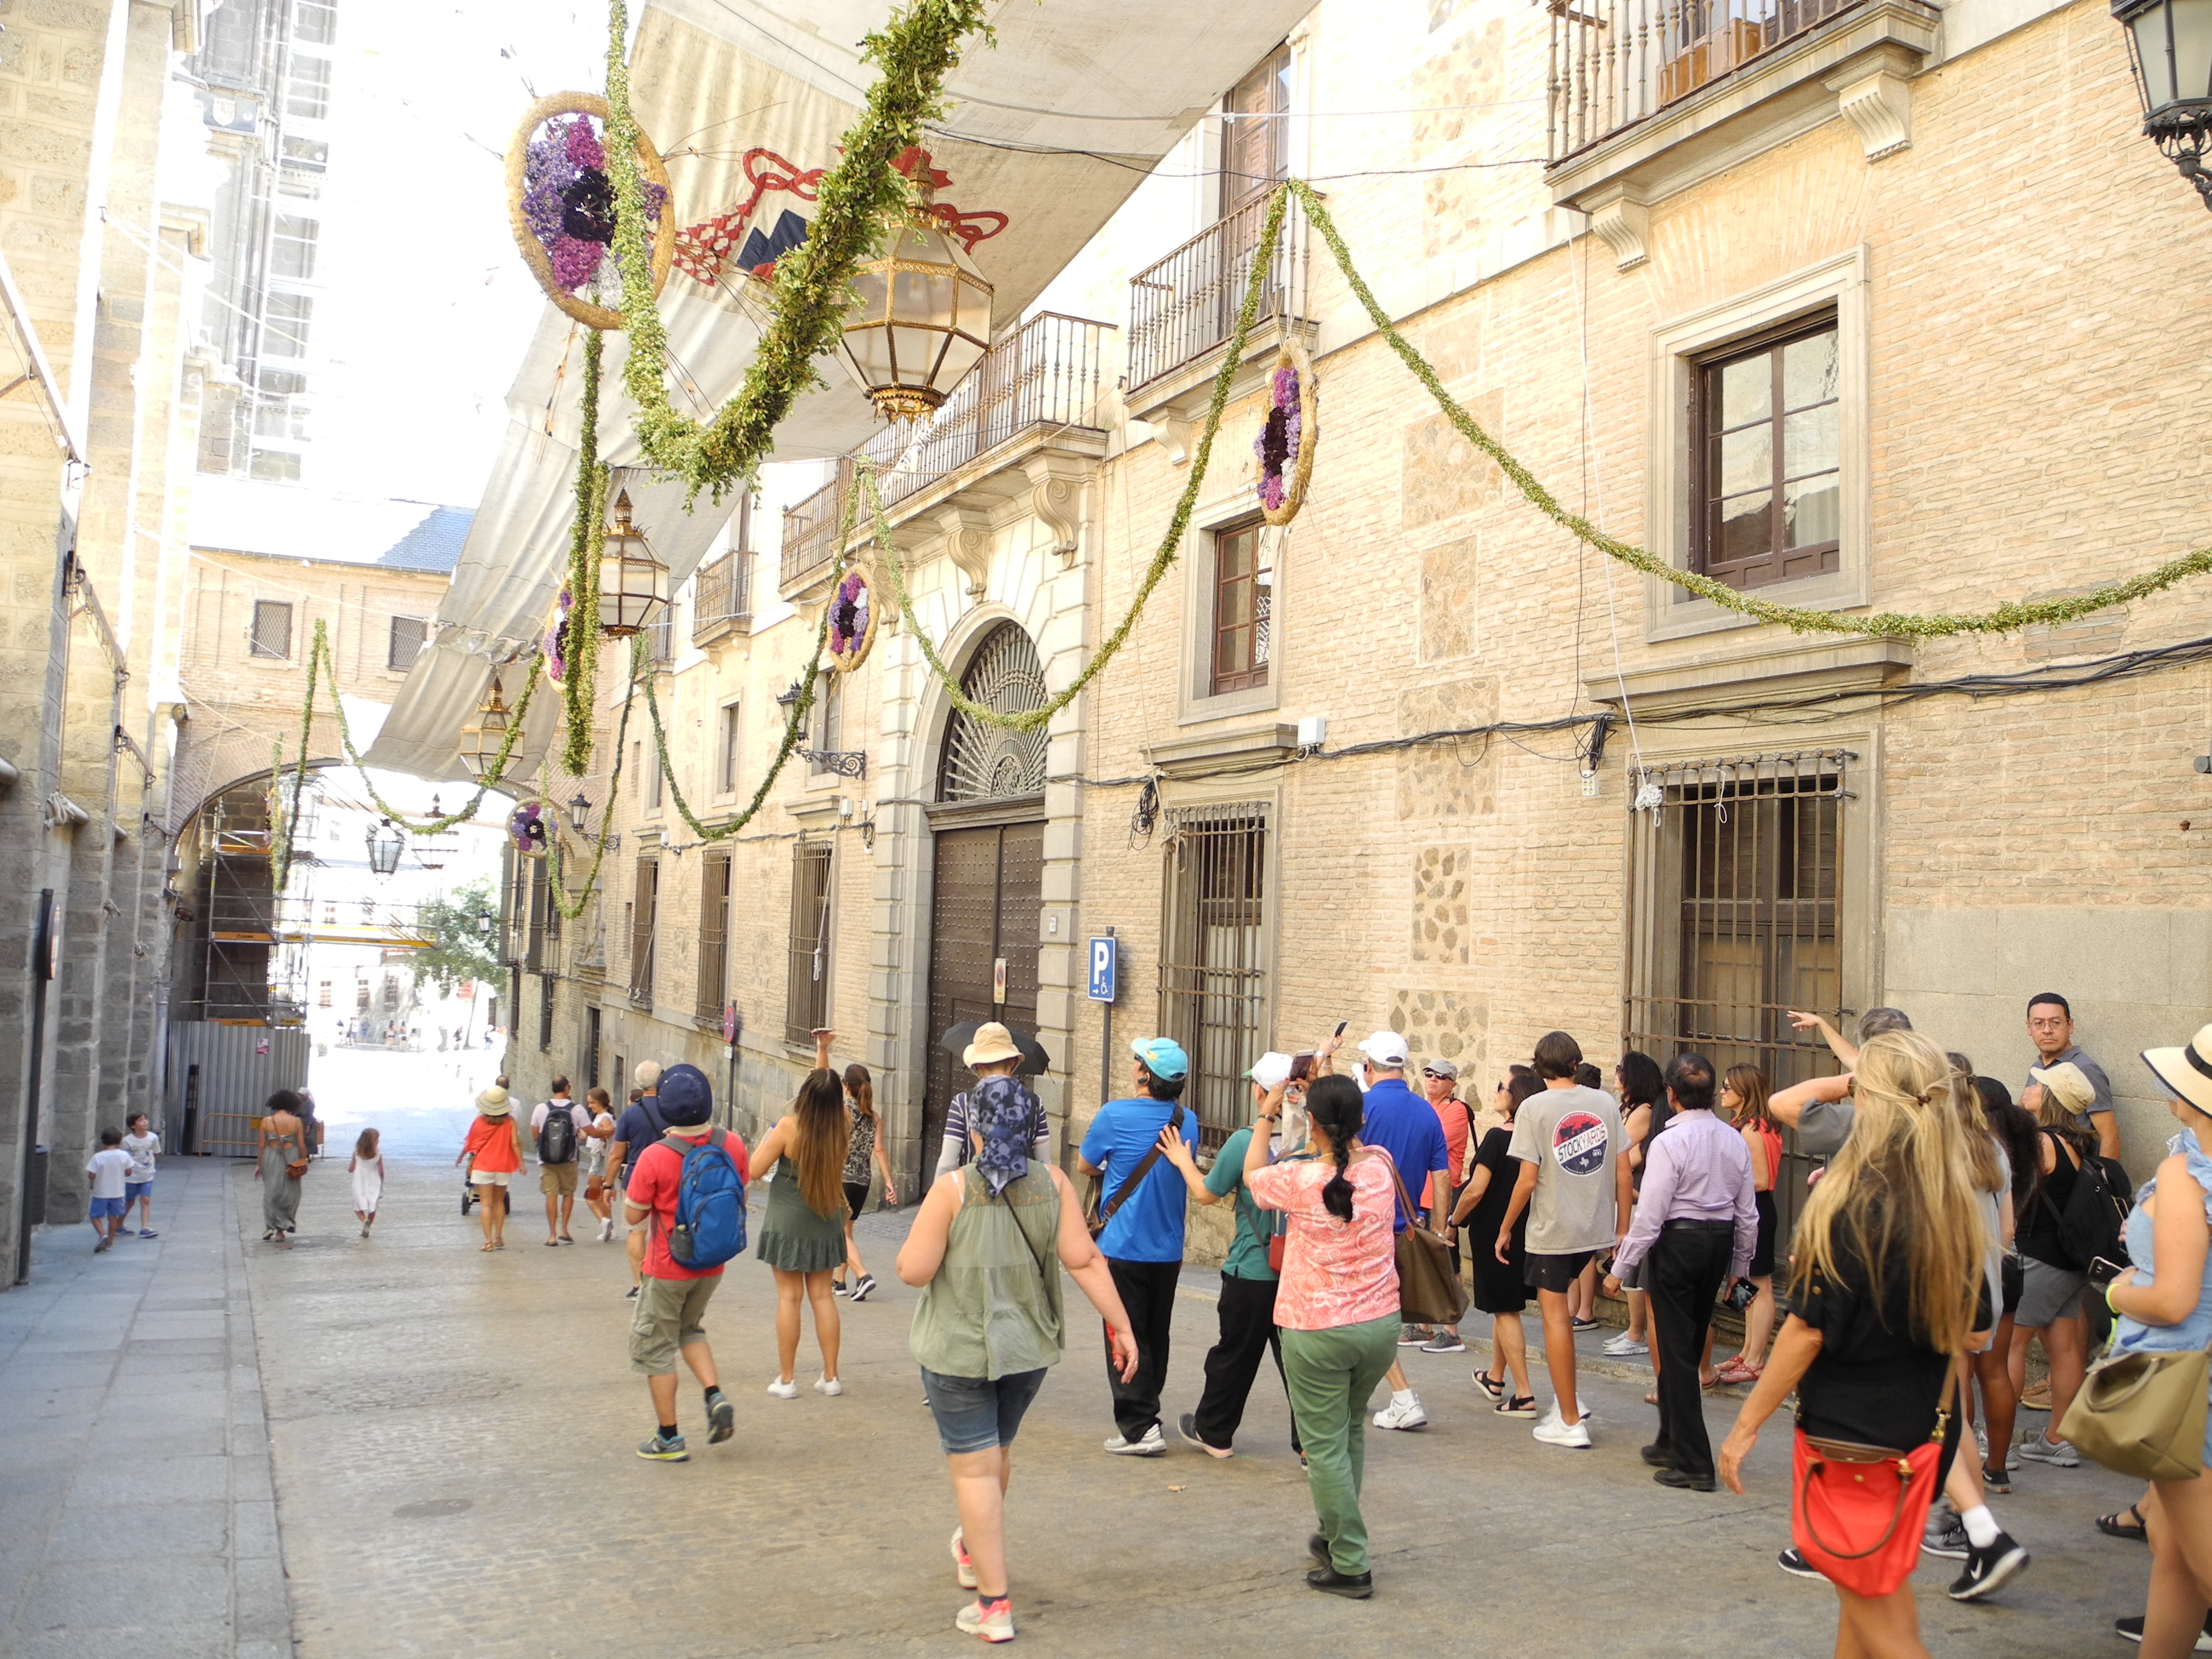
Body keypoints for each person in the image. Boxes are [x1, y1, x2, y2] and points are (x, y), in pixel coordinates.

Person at [1717, 1030, 1992, 1659]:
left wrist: (1744, 1427)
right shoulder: (1949, 1194)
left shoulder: (1856, 1198)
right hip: (1918, 1429)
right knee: (1864, 1598)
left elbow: (1807, 1330)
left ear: (1866, 1099)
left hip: (1852, 1437)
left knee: (1887, 1628)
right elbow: (1974, 1328)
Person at [896, 1065, 1141, 1643]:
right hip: (1026, 1350)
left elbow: (912, 1271)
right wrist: (1122, 1326)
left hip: (957, 1352)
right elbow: (1085, 1260)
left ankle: (994, 1605)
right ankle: (971, 1547)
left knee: (975, 1468)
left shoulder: (952, 1190)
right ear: (1031, 1128)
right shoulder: (1053, 1183)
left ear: (975, 1131)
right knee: (996, 1455)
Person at [1244, 1074, 1401, 1598]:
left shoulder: (1298, 1178)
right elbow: (1351, 1151)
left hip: (1316, 1329)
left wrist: (1267, 1112)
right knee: (1350, 1430)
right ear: (1361, 1120)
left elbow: (1252, 1175)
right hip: (1379, 1325)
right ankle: (1336, 1536)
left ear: (1311, 1120)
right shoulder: (1381, 1166)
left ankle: (1351, 1560)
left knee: (1324, 1448)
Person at [2105, 1022, 2212, 1654]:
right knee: (2173, 1551)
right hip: (2193, 1383)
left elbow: (2172, 1300)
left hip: (2182, 1388)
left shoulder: (2185, 1173)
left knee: (2199, 1559)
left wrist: (2119, 1292)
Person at [1603, 1053, 1755, 1491]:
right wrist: (1739, 1268)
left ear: (1671, 1095)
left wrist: (1619, 1269)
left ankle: (1694, 1462)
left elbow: (1650, 1216)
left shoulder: (1669, 1142)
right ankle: (1670, 1439)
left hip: (1680, 1243)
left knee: (1677, 1352)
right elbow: (1748, 1215)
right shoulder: (1733, 1140)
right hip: (1717, 1243)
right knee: (1684, 1343)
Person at [1156, 1051, 1302, 1460]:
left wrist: (1183, 1161)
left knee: (1233, 1356)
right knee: (1300, 1365)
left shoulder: (1243, 1143)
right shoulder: (1310, 1142)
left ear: (1261, 1093)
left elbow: (1207, 1193)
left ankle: (1215, 1432)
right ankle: (1312, 1447)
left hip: (1252, 1269)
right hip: (1298, 1273)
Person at [1498, 1031, 1631, 1447]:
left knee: (1555, 1318)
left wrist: (1505, 1227)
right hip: (1593, 1227)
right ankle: (1567, 1401)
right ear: (1576, 1064)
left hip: (1553, 1228)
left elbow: (1527, 1180)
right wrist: (1622, 1228)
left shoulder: (1533, 1107)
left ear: (1538, 1067)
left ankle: (1570, 1421)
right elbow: (1623, 1170)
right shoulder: (1605, 1102)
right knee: (1564, 1319)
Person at [1078, 1036, 1201, 1456]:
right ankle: (1148, 1410)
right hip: (1168, 1247)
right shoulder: (1188, 1120)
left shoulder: (1114, 1114)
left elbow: (1085, 1164)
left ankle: (1140, 1427)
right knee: (1155, 1333)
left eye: (1137, 1062)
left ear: (1146, 1076)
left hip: (1123, 1245)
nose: (1133, 1066)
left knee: (1124, 1333)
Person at [624, 1064, 745, 1463]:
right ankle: (714, 1394)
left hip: (667, 1265)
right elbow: (739, 1195)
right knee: (690, 1329)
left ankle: (669, 1438)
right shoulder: (732, 1144)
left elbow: (634, 1215)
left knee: (656, 1349)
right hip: (711, 1264)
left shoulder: (656, 1156)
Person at [1350, 1030, 1449, 1432]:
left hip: (1363, 1230)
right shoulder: (1427, 1112)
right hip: (1407, 1230)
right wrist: (1438, 1233)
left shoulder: (1362, 1108)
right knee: (1374, 1316)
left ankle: (1404, 1397)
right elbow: (1442, 1177)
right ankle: (1362, 1393)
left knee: (1367, 1316)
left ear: (1369, 1067)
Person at [749, 1029, 851, 1398]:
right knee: (823, 1297)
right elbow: (826, 1092)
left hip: (788, 1220)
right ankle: (831, 1377)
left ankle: (787, 1380)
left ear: (805, 1097)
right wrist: (823, 1051)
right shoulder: (843, 1123)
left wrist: (765, 1140)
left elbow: (754, 1171)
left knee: (789, 1299)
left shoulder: (788, 1129)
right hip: (825, 1219)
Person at [2009, 1058, 2095, 1468]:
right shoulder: (2078, 1142)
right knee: (2064, 1349)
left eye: (2038, 1085)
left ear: (2050, 1098)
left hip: (2039, 1258)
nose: (2030, 1087)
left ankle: (1995, 1442)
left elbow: (2012, 1190)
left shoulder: (2042, 1142)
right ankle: (2058, 1439)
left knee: (2009, 1346)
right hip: (2069, 1260)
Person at [1449, 1071, 1543, 1414]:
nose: (1496, 1091)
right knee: (1506, 1308)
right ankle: (1495, 1376)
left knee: (1505, 1310)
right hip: (1528, 1230)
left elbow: (1475, 1190)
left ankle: (1525, 1394)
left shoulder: (1497, 1138)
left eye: (1501, 1087)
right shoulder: (1537, 1140)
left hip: (1495, 1233)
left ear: (1516, 1096)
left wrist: (1453, 1221)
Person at [1714, 1066, 1781, 1384]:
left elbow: (1762, 1180)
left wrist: (1724, 1185)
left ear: (1744, 1091)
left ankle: (1756, 1359)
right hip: (1752, 1210)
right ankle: (1747, 1351)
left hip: (1756, 1209)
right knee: (1748, 1282)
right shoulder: (1753, 1125)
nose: (1722, 1091)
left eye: (1728, 1087)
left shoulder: (1751, 1130)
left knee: (1760, 1284)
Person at [1606, 1050, 1669, 1361]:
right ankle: (1634, 1330)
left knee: (1633, 1262)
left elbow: (1619, 1152)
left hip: (1637, 1189)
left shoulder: (1644, 1111)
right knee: (1630, 1264)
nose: (1616, 1074)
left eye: (1621, 1069)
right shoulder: (1629, 1108)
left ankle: (1636, 1333)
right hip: (1628, 1188)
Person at [1413, 1056, 1476, 1355]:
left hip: (1442, 1198)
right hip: (1421, 1197)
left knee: (1447, 1266)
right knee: (1424, 1265)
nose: (1433, 1080)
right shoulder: (1426, 1108)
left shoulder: (1456, 1110)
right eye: (1429, 1074)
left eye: (1440, 1076)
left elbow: (1427, 1142)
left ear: (1453, 1084)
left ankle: (1452, 1332)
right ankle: (1424, 1326)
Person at [936, 1027, 1051, 1177]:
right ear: (1012, 1063)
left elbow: (947, 1164)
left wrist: (938, 1190)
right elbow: (1045, 1163)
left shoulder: (962, 1103)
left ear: (979, 1066)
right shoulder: (1035, 1103)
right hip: (1022, 1188)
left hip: (974, 1188)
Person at [2026, 990, 2120, 1161]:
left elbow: (2110, 1137)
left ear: (2070, 1026)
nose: (2047, 1030)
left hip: (2073, 1171)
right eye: (2039, 1023)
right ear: (2029, 1028)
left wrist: (2102, 1175)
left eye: (2055, 1023)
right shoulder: (2037, 1068)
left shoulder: (2085, 1069)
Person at [833, 1062, 899, 1302]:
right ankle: (839, 1281)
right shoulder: (874, 1118)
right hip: (862, 1182)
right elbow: (879, 1150)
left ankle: (862, 1276)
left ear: (846, 1086)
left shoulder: (842, 1111)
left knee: (838, 1232)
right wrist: (889, 1182)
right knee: (847, 1230)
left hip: (841, 1178)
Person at [608, 1064, 666, 1300]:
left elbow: (617, 1154)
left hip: (637, 1178)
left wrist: (607, 1184)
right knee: (666, 1232)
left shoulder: (630, 1114)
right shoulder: (671, 1110)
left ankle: (639, 1284)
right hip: (669, 1178)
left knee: (637, 1232)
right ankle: (664, 1283)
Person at [456, 1087, 525, 1251]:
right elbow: (515, 1143)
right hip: (503, 1166)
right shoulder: (510, 1121)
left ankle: (488, 1242)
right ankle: (499, 1237)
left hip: (483, 1166)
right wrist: (521, 1163)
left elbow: (470, 1143)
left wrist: (461, 1156)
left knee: (486, 1204)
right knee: (498, 1202)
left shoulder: (479, 1122)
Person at [531, 1076, 591, 1246]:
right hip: (569, 1159)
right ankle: (565, 1230)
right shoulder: (577, 1109)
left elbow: (535, 1135)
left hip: (547, 1159)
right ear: (567, 1088)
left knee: (551, 1195)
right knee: (568, 1193)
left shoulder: (541, 1108)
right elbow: (590, 1131)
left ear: (552, 1088)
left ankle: (552, 1235)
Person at [256, 1090, 307, 1246]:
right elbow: (301, 1144)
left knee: (270, 1192)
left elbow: (262, 1145)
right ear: (292, 1104)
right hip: (291, 1157)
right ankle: (282, 1229)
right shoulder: (296, 1122)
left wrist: (258, 1165)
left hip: (270, 1157)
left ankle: (269, 1226)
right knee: (291, 1192)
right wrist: (304, 1161)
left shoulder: (266, 1121)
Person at [580, 1087, 618, 1241]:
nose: (590, 1106)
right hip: (600, 1160)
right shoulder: (603, 1117)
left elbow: (606, 1137)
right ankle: (610, 1228)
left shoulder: (605, 1118)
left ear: (600, 1102)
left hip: (599, 1161)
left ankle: (604, 1222)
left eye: (592, 1103)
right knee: (600, 1197)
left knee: (591, 1196)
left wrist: (602, 1135)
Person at [85, 1128, 132, 1253]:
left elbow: (92, 1175)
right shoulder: (124, 1155)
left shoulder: (97, 1157)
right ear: (120, 1141)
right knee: (113, 1217)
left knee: (95, 1216)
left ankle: (102, 1234)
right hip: (118, 1192)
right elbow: (129, 1172)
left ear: (103, 1141)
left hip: (101, 1192)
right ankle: (110, 1243)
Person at [120, 1112, 159, 1239]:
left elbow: (156, 1152)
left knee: (145, 1200)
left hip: (147, 1175)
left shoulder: (153, 1138)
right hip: (132, 1177)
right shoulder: (127, 1141)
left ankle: (145, 1228)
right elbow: (123, 1158)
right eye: (141, 1120)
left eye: (145, 1119)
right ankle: (119, 1224)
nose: (145, 1122)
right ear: (133, 1126)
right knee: (130, 1202)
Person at [350, 1128, 385, 1239]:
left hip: (359, 1181)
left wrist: (352, 1169)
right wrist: (381, 1182)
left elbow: (351, 1169)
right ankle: (368, 1226)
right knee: (373, 1206)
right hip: (373, 1180)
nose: (378, 1141)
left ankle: (364, 1220)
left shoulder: (357, 1154)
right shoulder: (378, 1154)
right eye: (377, 1139)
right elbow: (381, 1172)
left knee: (358, 1206)